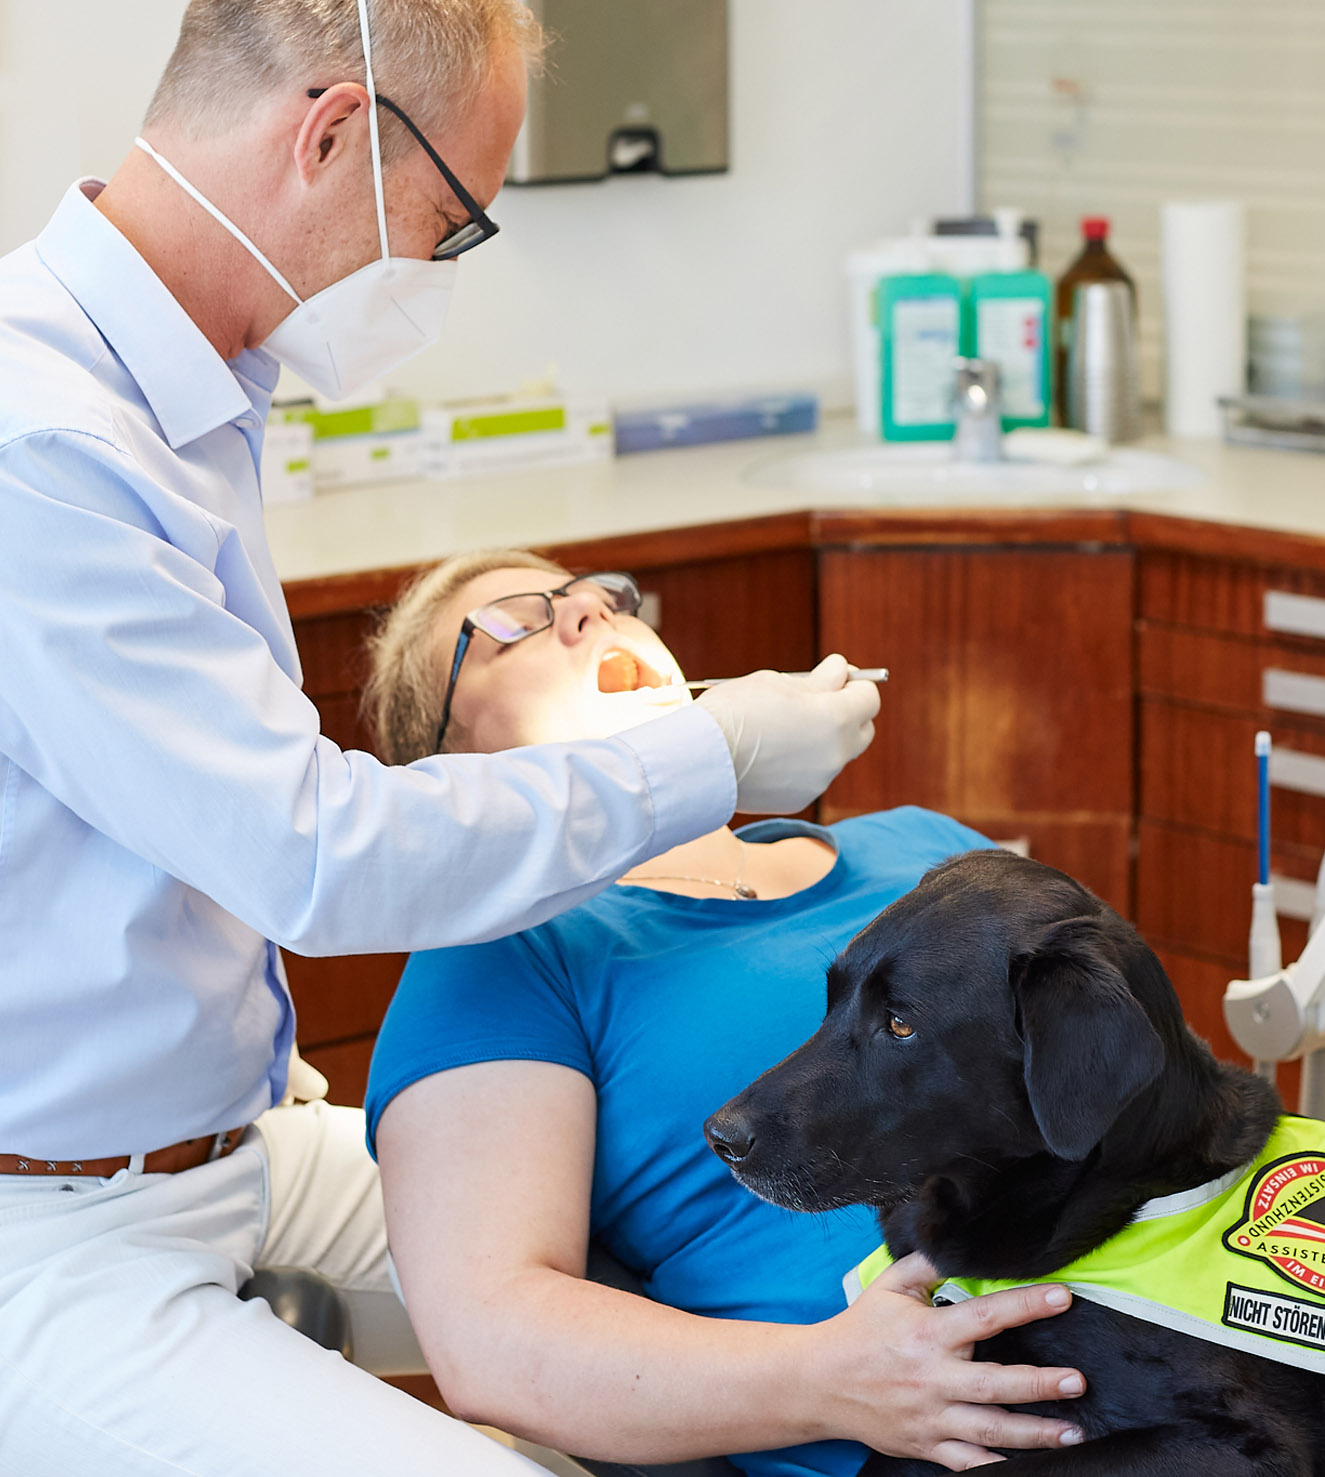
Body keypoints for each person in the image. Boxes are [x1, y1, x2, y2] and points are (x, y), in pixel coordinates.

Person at [0, 3, 879, 1473]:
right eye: (451, 220)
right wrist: (708, 756)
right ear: (332, 131)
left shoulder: (188, 403)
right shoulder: (44, 449)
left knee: (678, 1290)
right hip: (51, 1224)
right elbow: (319, 853)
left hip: (233, 1145)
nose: (440, 264)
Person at [363, 549, 1089, 1477]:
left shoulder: (923, 844)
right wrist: (830, 1379)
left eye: (599, 597)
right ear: (452, 766)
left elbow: (1126, 1073)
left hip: (1177, 1328)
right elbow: (491, 1337)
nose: (587, 612)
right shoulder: (509, 947)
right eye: (517, 622)